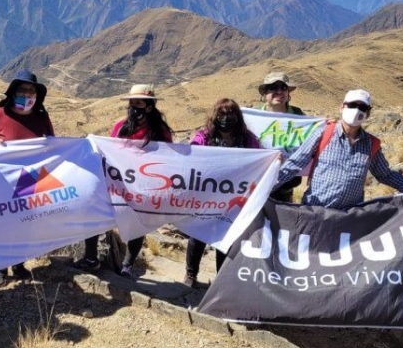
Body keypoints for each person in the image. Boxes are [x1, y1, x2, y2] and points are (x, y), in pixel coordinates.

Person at [74, 84, 173, 278]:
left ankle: (127, 265)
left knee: (138, 221)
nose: (133, 107)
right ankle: (91, 257)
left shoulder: (161, 131)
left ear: (149, 106)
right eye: (131, 103)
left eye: (138, 103)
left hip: (144, 185)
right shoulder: (122, 126)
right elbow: (111, 151)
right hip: (117, 182)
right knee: (94, 213)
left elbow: (168, 158)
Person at [274, 89, 403, 210]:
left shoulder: (371, 144)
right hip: (315, 212)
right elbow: (295, 163)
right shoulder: (324, 133)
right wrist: (266, 187)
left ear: (368, 113)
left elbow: (386, 175)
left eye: (362, 107)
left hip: (349, 219)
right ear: (342, 107)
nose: (357, 110)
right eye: (352, 105)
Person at [0, 69, 55, 288]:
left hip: (31, 179)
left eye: (31, 91)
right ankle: (0, 269)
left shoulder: (41, 117)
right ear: (13, 92)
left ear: (37, 96)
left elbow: (52, 143)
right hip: (0, 179)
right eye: (22, 90)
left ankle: (18, 265)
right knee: (2, 225)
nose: (27, 95)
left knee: (24, 224)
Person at [183, 98, 261, 288]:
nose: (226, 118)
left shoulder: (247, 139)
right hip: (207, 196)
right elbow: (194, 153)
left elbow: (261, 157)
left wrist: (275, 158)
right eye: (222, 114)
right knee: (198, 235)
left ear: (237, 116)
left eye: (230, 113)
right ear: (215, 116)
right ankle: (190, 274)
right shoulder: (205, 137)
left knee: (225, 237)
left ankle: (220, 280)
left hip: (233, 198)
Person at [258, 71, 304, 202]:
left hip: (287, 184)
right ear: (264, 93)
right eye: (273, 88)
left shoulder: (298, 115)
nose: (279, 92)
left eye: (283, 88)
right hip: (258, 184)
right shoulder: (253, 115)